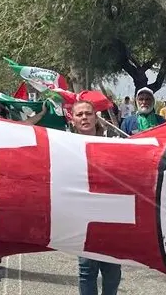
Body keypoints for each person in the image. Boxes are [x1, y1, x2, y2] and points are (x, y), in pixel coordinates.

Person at [71, 100, 123, 295]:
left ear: (95, 117)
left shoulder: (112, 143)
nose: (84, 117)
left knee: (112, 269)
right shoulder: (63, 145)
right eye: (79, 114)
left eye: (88, 113)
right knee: (86, 269)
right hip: (82, 214)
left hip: (110, 212)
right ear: (73, 120)